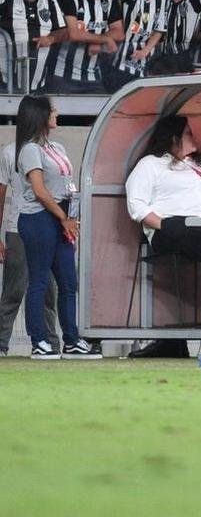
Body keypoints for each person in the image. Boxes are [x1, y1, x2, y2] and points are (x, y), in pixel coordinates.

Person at [124, 114, 201, 358]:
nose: (193, 137)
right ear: (173, 137)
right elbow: (137, 206)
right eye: (188, 133)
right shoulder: (151, 164)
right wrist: (166, 226)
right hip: (170, 227)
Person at [11, 97, 95, 359]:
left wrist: (70, 214)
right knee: (38, 281)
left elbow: (64, 184)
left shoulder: (55, 146)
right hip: (38, 219)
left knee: (69, 282)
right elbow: (39, 191)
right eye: (52, 110)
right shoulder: (29, 150)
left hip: (60, 216)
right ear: (39, 115)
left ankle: (71, 340)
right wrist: (64, 218)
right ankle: (40, 341)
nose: (56, 113)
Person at [0, 136, 59, 356]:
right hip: (17, 228)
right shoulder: (9, 152)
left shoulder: (56, 149)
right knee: (13, 291)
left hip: (47, 229)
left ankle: (50, 344)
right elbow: (1, 193)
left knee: (48, 292)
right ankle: (1, 344)